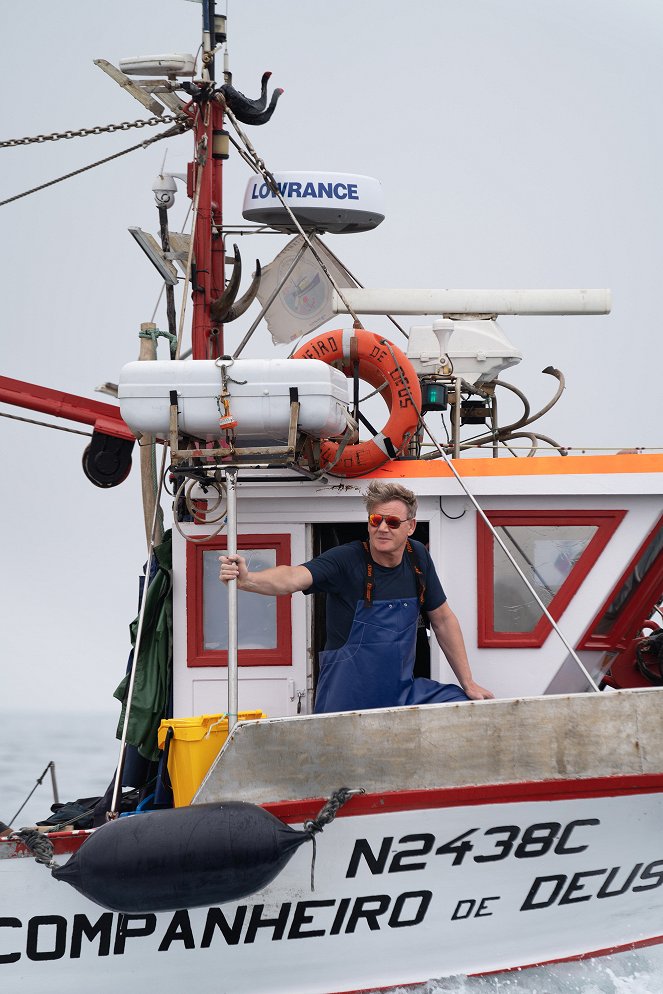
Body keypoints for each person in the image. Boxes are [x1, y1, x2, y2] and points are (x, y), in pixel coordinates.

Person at [219, 480, 493, 713]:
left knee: (467, 705)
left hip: (399, 694)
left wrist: (468, 683)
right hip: (346, 702)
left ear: (410, 527)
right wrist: (249, 579)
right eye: (376, 520)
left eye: (393, 521)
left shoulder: (418, 556)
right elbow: (292, 577)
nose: (383, 528)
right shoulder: (346, 559)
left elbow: (443, 619)